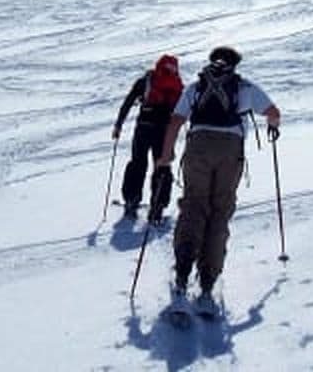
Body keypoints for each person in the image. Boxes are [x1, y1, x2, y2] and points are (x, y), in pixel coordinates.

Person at [156, 46, 280, 311]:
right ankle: (208, 281)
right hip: (230, 150)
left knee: (194, 206)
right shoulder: (244, 87)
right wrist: (272, 127)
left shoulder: (197, 86)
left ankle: (182, 271)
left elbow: (176, 121)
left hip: (198, 145)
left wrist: (166, 156)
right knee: (219, 211)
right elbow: (273, 112)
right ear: (235, 64)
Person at [113, 54, 183, 223]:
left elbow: (129, 102)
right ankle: (157, 208)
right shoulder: (177, 84)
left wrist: (118, 125)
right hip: (164, 132)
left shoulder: (147, 80)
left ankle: (132, 201)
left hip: (143, 127)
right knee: (162, 166)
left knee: (137, 163)